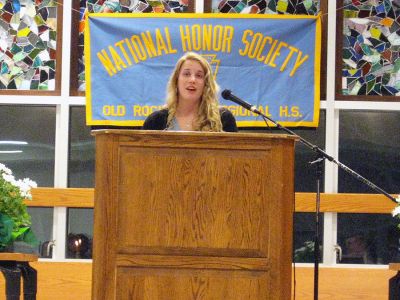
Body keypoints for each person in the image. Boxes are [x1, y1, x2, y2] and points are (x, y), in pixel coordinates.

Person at [142, 52, 238, 132]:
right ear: (176, 80)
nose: (192, 80)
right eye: (186, 74)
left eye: (199, 76)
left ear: (206, 84)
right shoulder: (156, 121)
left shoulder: (223, 119)